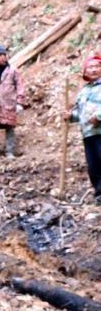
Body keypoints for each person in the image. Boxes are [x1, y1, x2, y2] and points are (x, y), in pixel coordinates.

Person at [66, 52, 101, 204]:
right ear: (85, 71)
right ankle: (99, 193)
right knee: (93, 165)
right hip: (88, 133)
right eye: (90, 67)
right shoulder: (83, 92)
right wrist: (70, 116)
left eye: (97, 67)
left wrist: (99, 117)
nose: (93, 70)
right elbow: (79, 113)